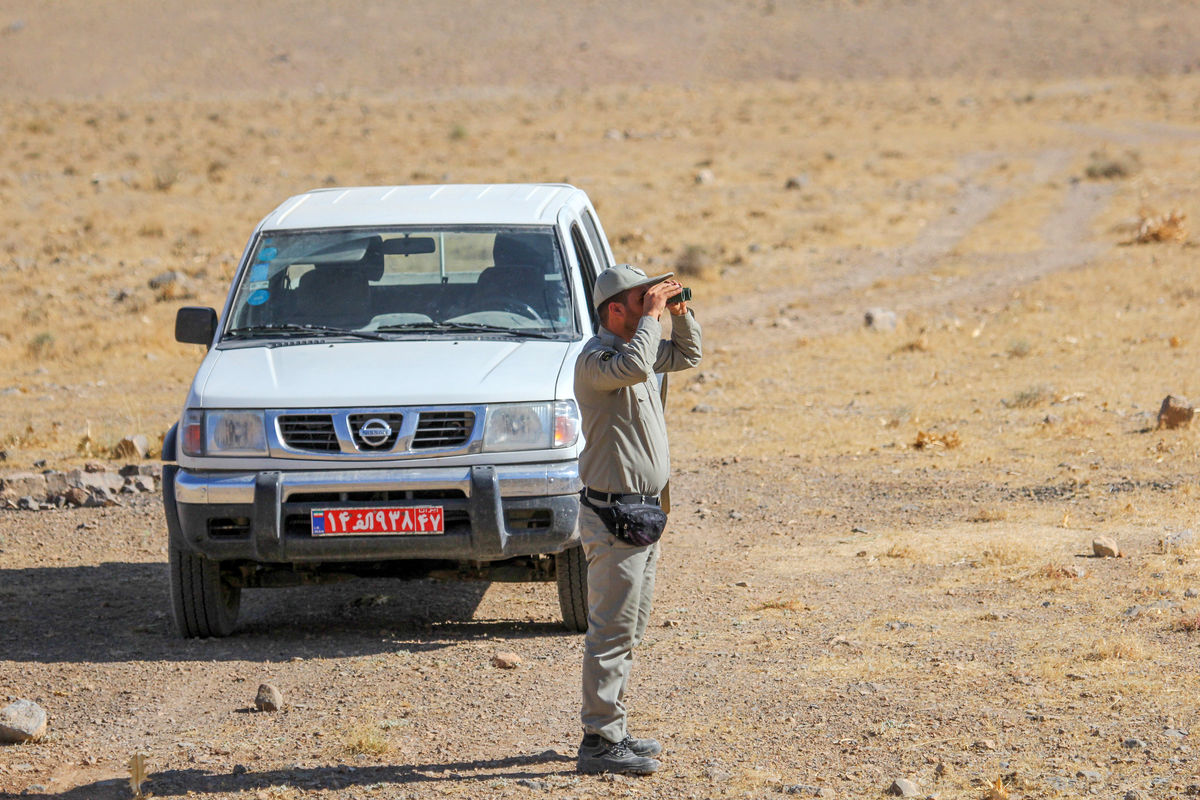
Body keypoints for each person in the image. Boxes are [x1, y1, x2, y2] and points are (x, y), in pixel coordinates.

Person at [573, 264, 702, 775]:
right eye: (640, 300)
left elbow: (688, 355)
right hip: (614, 514)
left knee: (630, 627)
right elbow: (630, 366)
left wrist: (679, 314)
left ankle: (615, 729)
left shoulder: (641, 351)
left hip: (643, 511)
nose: (650, 306)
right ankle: (599, 742)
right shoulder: (597, 360)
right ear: (614, 310)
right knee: (610, 630)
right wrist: (652, 319)